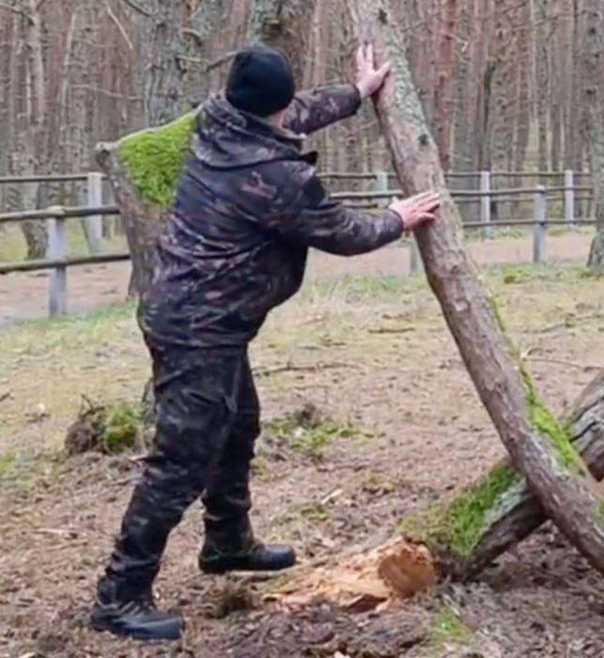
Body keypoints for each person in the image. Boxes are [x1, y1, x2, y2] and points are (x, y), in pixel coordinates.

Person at [91, 44, 441, 641]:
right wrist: (395, 217)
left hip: (201, 316)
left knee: (237, 424)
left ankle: (227, 542)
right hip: (197, 325)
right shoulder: (276, 177)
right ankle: (119, 596)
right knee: (180, 458)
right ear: (267, 110)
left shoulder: (218, 117)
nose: (290, 115)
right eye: (283, 107)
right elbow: (342, 231)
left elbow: (297, 111)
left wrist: (356, 92)